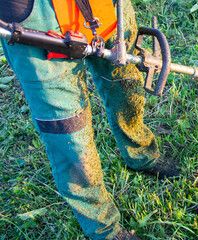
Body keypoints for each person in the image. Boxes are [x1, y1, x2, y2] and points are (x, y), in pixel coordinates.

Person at [0, 0, 181, 239]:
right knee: (69, 133)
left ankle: (141, 154)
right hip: (33, 17)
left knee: (127, 89)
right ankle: (104, 230)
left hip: (108, 7)